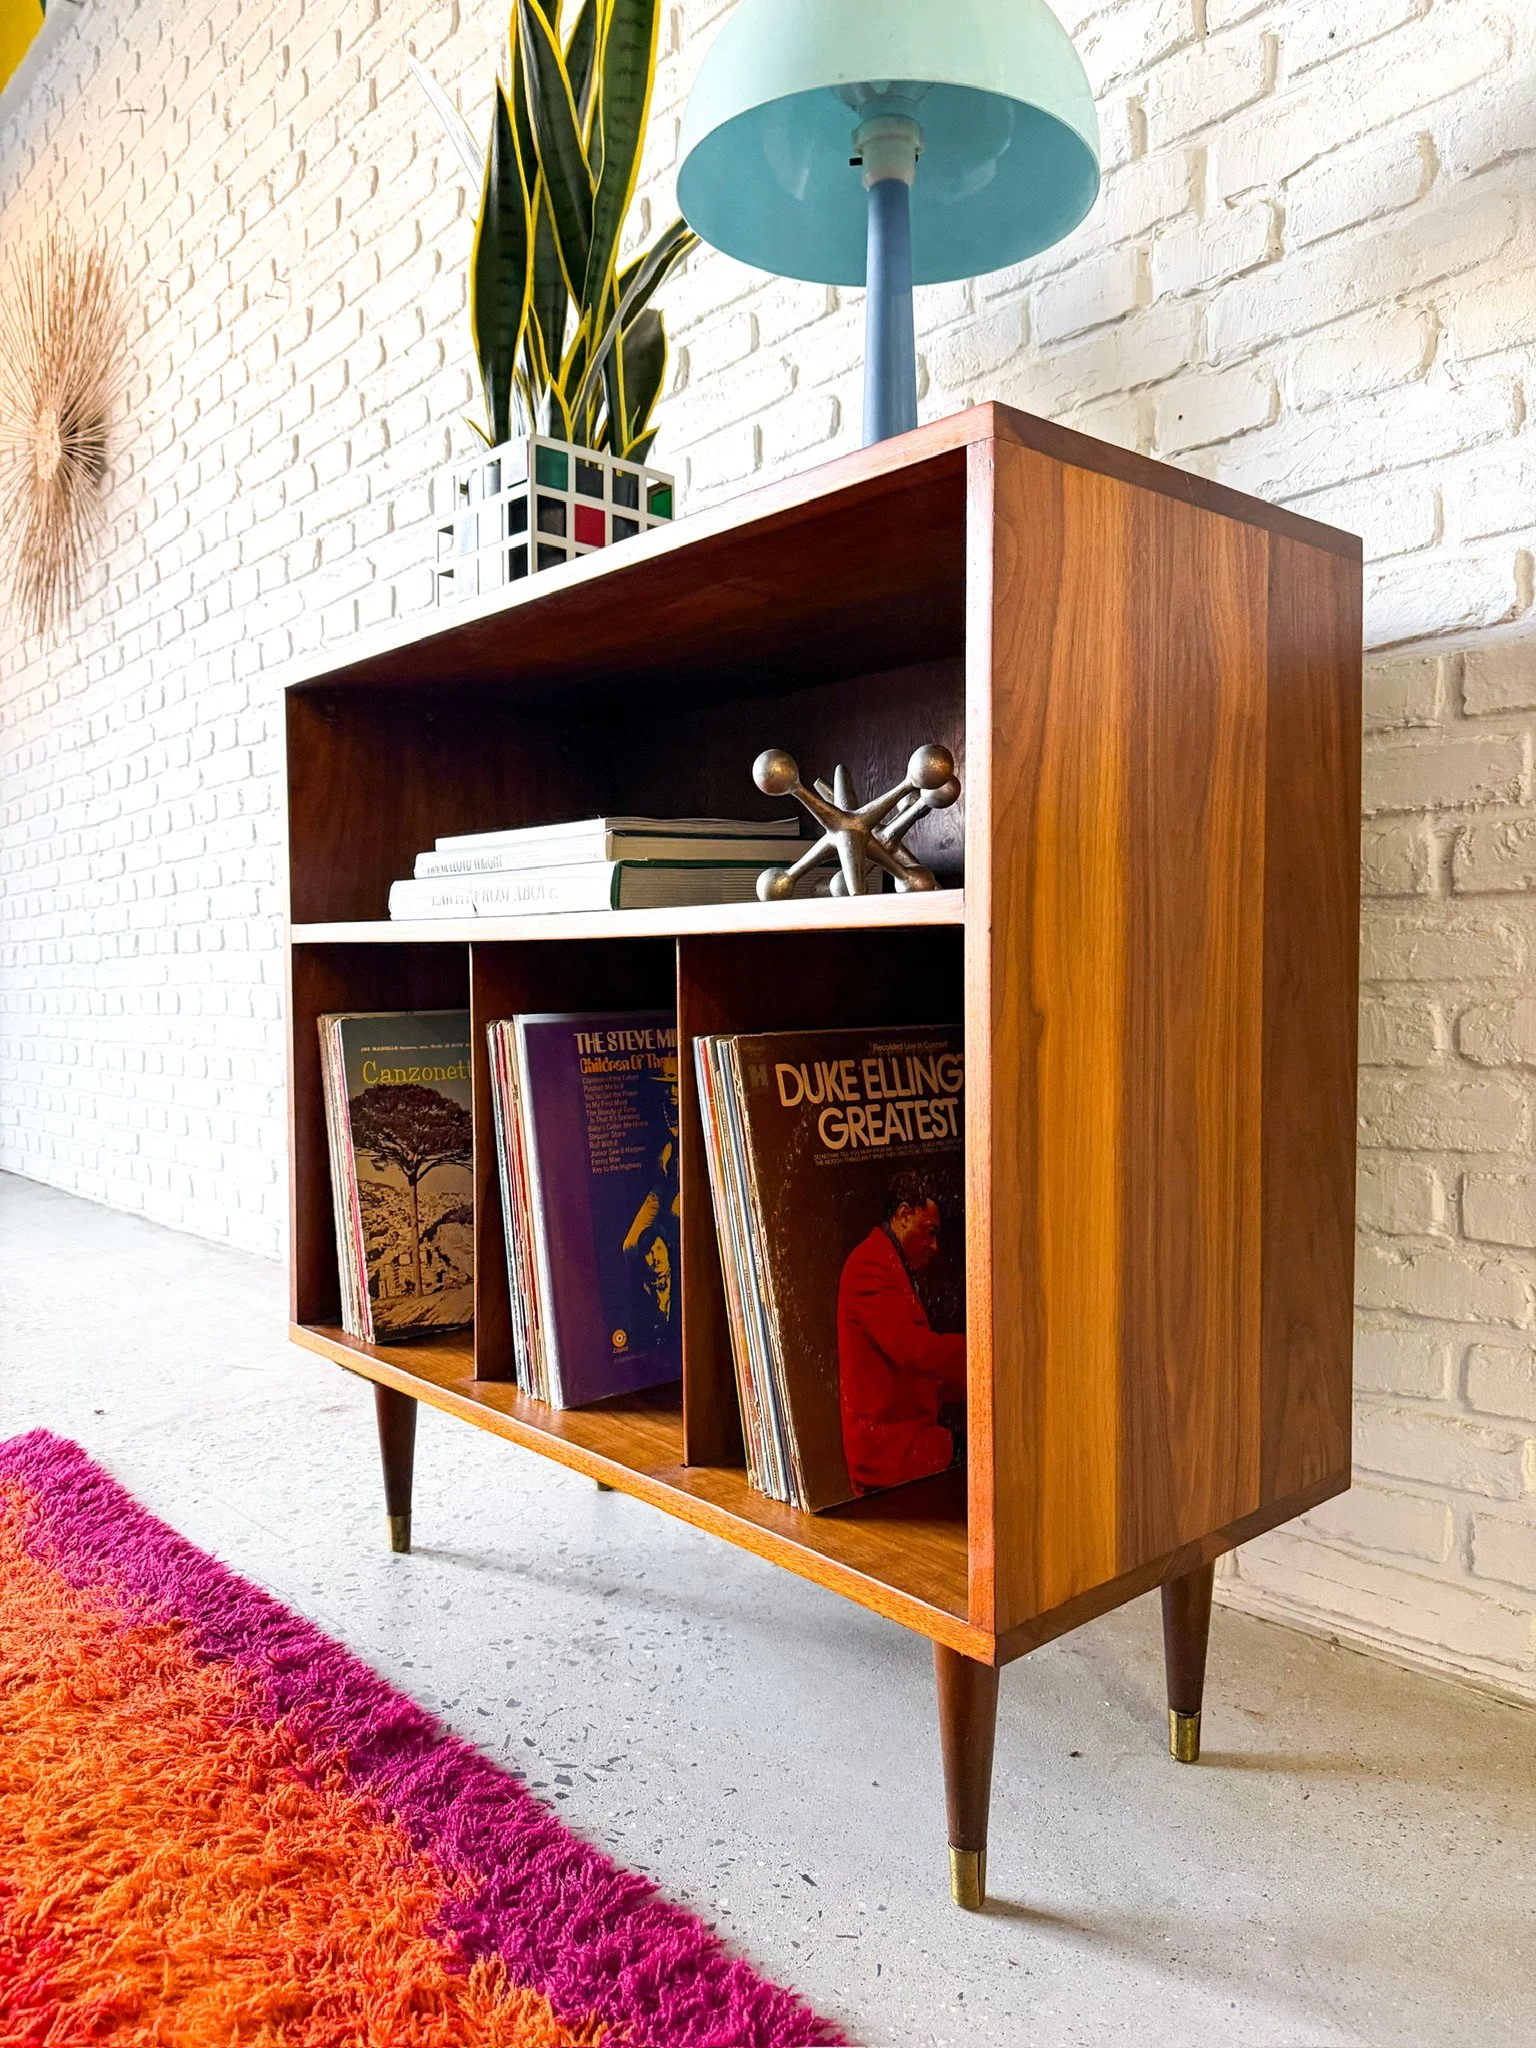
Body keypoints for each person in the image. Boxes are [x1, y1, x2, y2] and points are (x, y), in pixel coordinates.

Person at [836, 1170, 965, 1494]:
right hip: (891, 1453)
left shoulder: (885, 1262)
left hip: (906, 1441)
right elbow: (914, 1350)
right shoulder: (870, 1265)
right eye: (930, 1232)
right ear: (904, 1214)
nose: (934, 1246)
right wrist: (987, 1356)